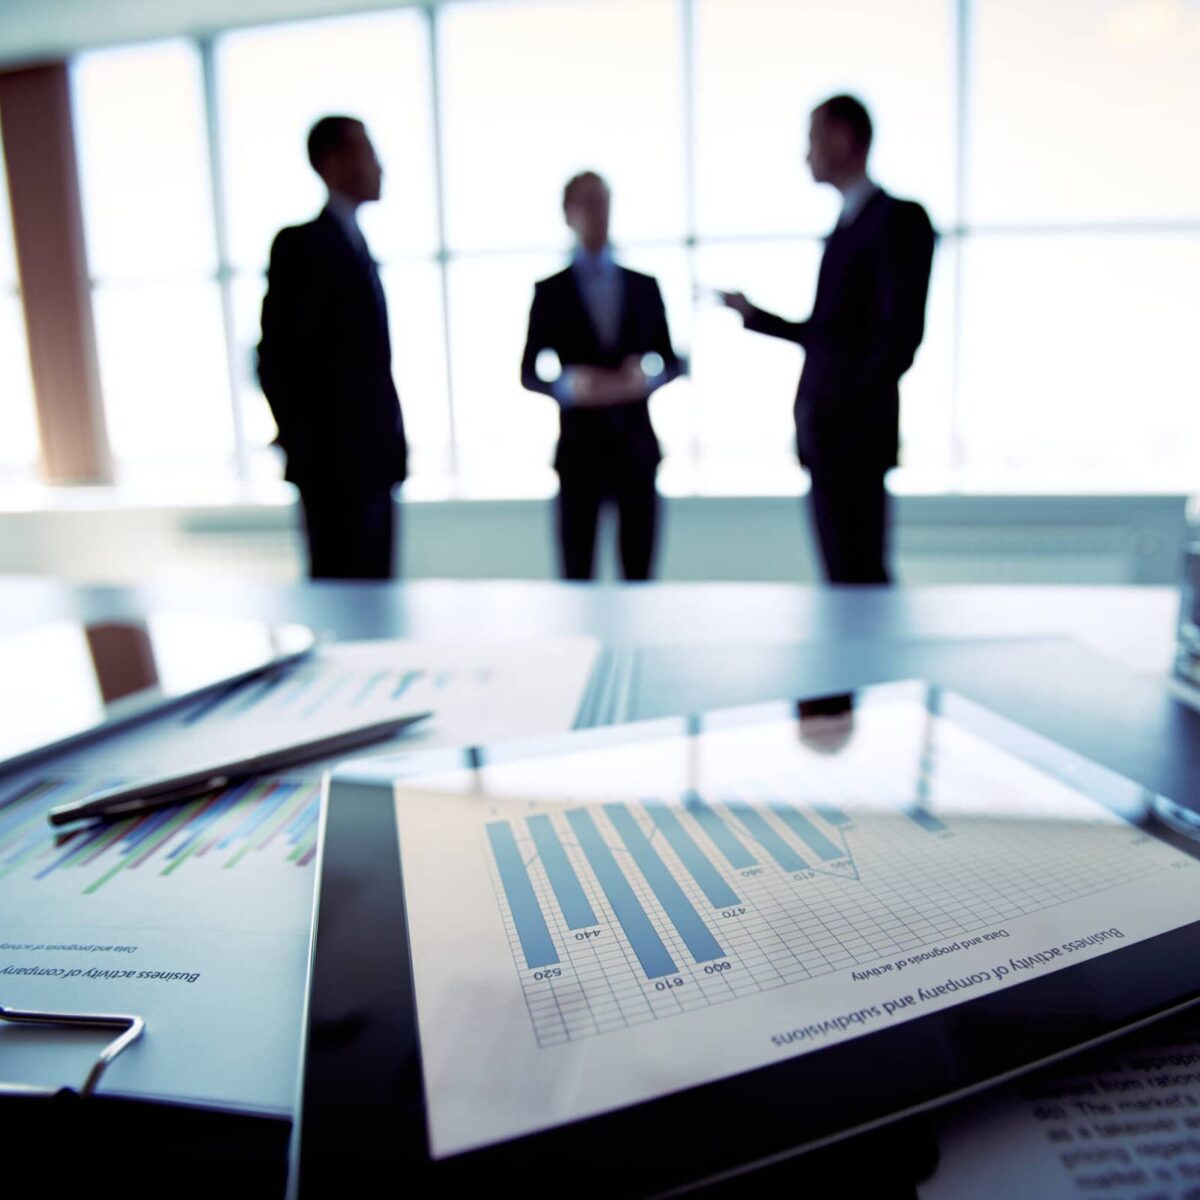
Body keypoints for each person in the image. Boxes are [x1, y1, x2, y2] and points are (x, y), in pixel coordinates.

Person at [722, 95, 934, 584]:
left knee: (860, 578)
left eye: (813, 139)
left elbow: (898, 340)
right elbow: (829, 335)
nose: (807, 155)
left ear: (842, 138)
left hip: (853, 434)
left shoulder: (897, 220)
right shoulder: (845, 227)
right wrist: (754, 315)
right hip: (827, 434)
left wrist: (844, 410)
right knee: (843, 578)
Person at [257, 115, 407, 580]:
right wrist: (307, 444)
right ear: (333, 162)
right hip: (332, 470)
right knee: (340, 594)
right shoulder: (301, 245)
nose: (379, 165)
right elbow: (275, 358)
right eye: (368, 151)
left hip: (377, 461)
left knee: (378, 596)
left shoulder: (358, 245)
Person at [521, 171, 683, 582]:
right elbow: (528, 372)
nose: (600, 211)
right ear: (568, 212)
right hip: (579, 453)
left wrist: (646, 379)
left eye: (604, 201)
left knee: (640, 576)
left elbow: (672, 361)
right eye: (589, 202)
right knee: (577, 575)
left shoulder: (644, 286)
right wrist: (569, 387)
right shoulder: (550, 291)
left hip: (636, 450)